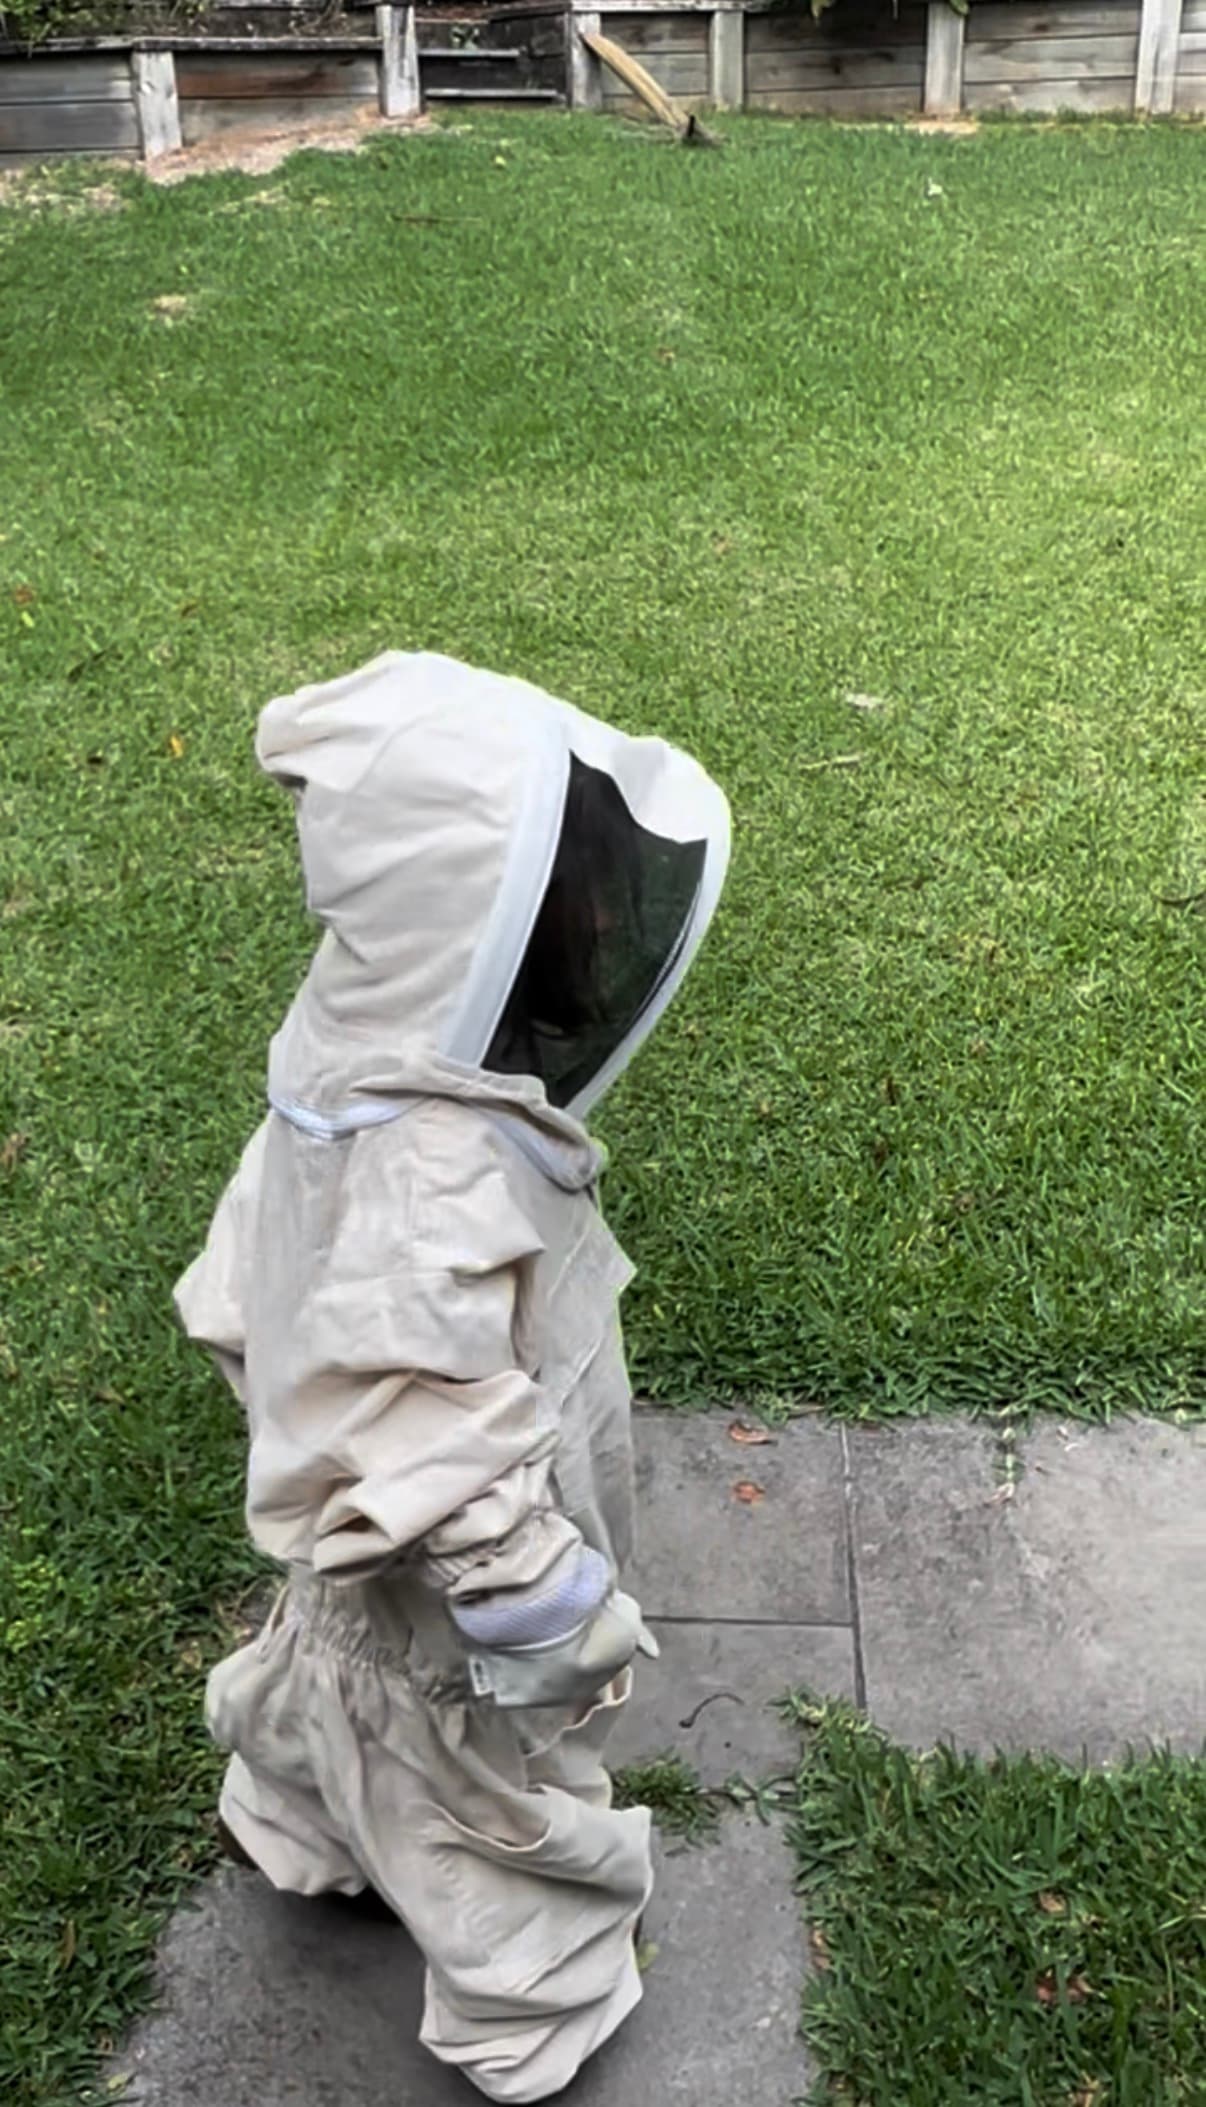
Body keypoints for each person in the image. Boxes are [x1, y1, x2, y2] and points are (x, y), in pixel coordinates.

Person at [174, 651, 730, 2102]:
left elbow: (271, 1273)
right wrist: (532, 1586)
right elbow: (411, 1402)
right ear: (477, 929)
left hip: (377, 1528)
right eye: (578, 903)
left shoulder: (348, 1050)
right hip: (447, 1546)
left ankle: (295, 1817)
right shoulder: (426, 1171)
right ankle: (528, 2008)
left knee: (344, 1676)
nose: (603, 925)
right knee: (474, 1773)